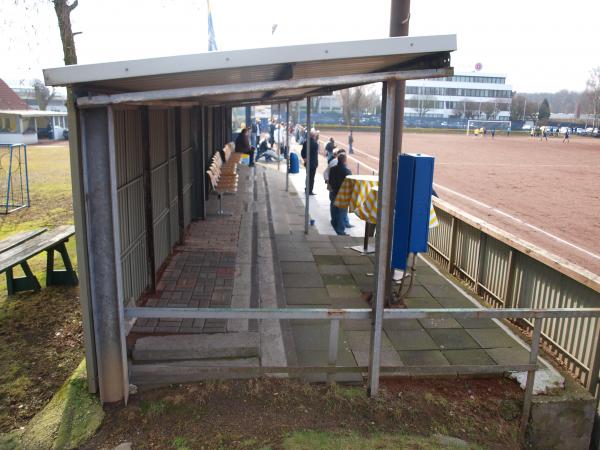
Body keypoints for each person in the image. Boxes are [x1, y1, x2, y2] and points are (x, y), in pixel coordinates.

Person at [324, 150, 353, 229]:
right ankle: (340, 229)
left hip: (333, 191)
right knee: (342, 211)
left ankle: (334, 223)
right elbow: (350, 184)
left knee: (334, 208)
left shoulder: (333, 168)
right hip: (342, 193)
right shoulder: (347, 171)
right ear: (344, 160)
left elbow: (329, 178)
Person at [301, 130, 319, 195]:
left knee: (308, 176)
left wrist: (304, 158)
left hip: (307, 162)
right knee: (311, 178)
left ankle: (307, 189)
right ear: (313, 136)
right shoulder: (315, 144)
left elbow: (302, 152)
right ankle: (310, 190)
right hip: (313, 163)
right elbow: (315, 155)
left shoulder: (305, 142)